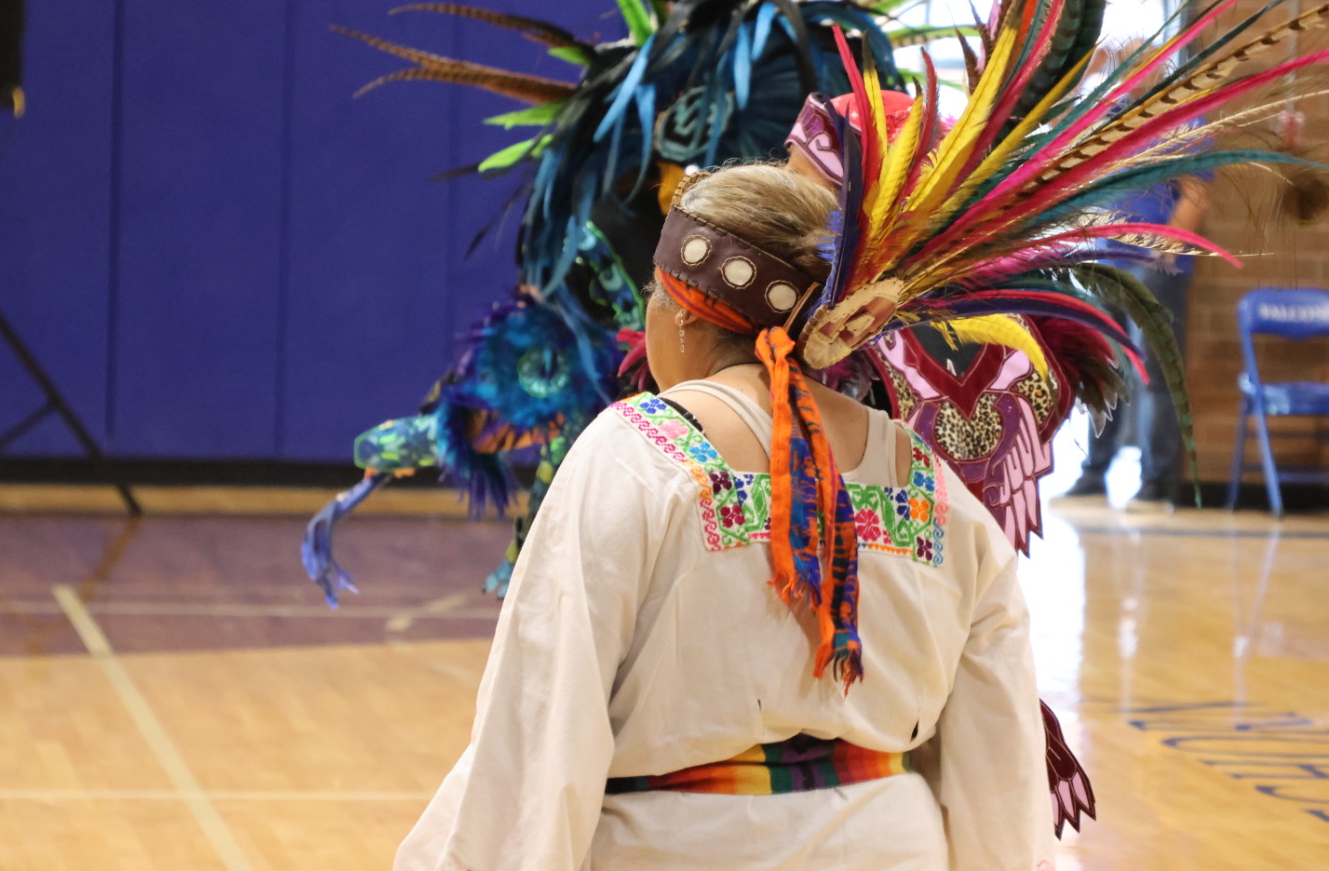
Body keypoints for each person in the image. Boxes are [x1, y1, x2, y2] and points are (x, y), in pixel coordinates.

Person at [395, 164, 1054, 871]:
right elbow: (1002, 766)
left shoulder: (635, 454)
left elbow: (541, 728)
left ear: (679, 308)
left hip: (681, 847)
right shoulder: (934, 485)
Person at [1062, 172, 1210, 510]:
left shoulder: (1185, 123)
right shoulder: (1112, 119)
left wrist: (1163, 254)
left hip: (1152, 269)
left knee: (1154, 378)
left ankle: (1155, 485)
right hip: (1104, 262)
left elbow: (1197, 193)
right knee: (1102, 371)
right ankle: (1094, 475)